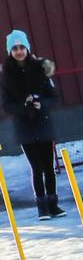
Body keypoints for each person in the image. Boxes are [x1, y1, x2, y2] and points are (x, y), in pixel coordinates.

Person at [1, 29, 66, 218]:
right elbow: (7, 105)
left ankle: (53, 205)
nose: (19, 51)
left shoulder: (40, 69)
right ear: (10, 52)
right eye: (15, 48)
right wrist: (24, 106)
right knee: (36, 169)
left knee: (49, 168)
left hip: (43, 124)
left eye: (22, 47)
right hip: (24, 127)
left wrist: (41, 103)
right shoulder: (7, 76)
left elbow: (53, 98)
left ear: (27, 48)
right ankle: (42, 207)